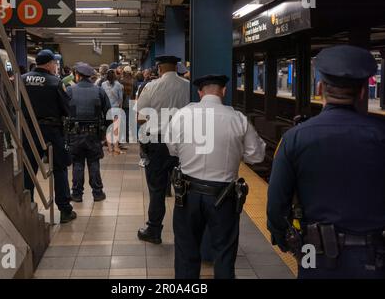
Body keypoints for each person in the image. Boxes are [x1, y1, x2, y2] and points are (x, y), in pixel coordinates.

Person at [267, 45, 385, 279]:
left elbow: (276, 203)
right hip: (374, 256)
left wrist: (283, 240)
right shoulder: (381, 135)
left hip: (314, 253)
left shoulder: (295, 138)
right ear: (363, 92)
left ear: (320, 89)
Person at [167, 75, 265, 279]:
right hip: (223, 196)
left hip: (187, 193)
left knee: (186, 251)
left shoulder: (182, 115)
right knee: (224, 253)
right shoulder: (238, 118)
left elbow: (173, 149)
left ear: (199, 92)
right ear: (224, 91)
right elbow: (256, 155)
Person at [136, 55, 190, 244]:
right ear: (177, 67)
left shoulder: (150, 87)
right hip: (184, 144)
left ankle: (154, 230)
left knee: (157, 189)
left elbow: (140, 117)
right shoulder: (188, 86)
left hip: (157, 143)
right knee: (185, 189)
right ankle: (185, 233)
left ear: (159, 68)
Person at [21, 49, 76, 224]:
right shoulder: (55, 82)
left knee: (29, 167)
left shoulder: (22, 80)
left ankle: (26, 206)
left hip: (28, 129)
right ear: (49, 63)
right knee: (59, 168)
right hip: (51, 130)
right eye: (54, 63)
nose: (55, 66)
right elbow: (66, 108)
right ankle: (65, 210)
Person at [66, 63, 111, 203]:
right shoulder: (99, 91)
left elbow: (63, 112)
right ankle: (97, 193)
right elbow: (109, 113)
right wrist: (104, 131)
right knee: (93, 162)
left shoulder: (69, 90)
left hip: (75, 134)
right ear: (90, 76)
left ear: (78, 75)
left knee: (77, 163)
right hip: (93, 134)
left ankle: (77, 194)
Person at [102, 69, 124, 154]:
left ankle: (110, 147)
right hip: (115, 109)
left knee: (108, 128)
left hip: (106, 109)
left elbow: (102, 96)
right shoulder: (119, 85)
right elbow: (120, 99)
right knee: (115, 129)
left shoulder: (103, 84)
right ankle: (116, 147)